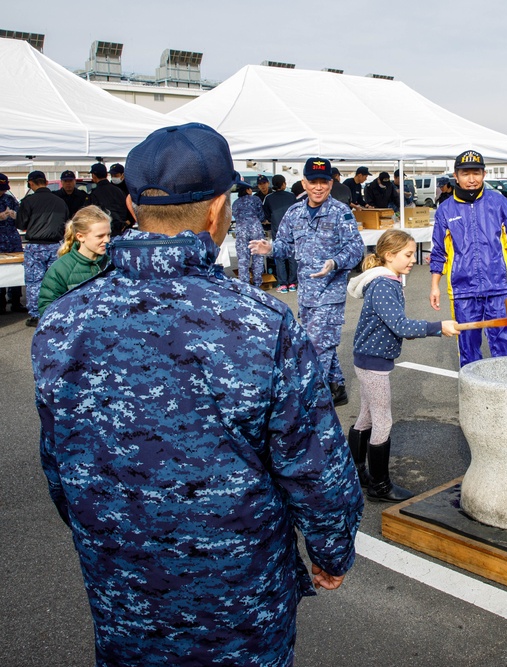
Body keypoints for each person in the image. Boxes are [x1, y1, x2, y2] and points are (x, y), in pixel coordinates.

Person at [32, 122, 363, 666]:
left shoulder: (63, 321)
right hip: (239, 595)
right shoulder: (261, 322)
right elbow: (315, 466)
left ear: (134, 208)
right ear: (217, 211)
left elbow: (59, 464)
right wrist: (331, 552)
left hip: (123, 586)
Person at [347, 229, 458, 502]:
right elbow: (401, 326)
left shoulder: (390, 280)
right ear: (389, 255)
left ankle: (356, 471)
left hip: (369, 358)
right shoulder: (384, 284)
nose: (412, 259)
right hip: (372, 362)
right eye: (408, 255)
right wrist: (438, 327)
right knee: (383, 420)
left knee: (367, 416)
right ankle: (379, 486)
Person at [250, 157, 365, 407]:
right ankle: (337, 387)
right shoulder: (294, 212)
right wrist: (269, 248)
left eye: (324, 182)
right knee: (322, 342)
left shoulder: (340, 212)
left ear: (331, 183)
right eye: (313, 182)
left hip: (329, 294)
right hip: (307, 295)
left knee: (316, 346)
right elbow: (285, 246)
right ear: (304, 182)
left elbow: (357, 249)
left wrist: (334, 262)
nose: (319, 187)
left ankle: (315, 401)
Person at [429, 149, 507, 366]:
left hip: (499, 287)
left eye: (476, 173)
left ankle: (505, 391)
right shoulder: (445, 209)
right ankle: (473, 395)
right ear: (455, 176)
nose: (471, 179)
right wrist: (435, 286)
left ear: (484, 174)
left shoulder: (499, 203)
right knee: (468, 348)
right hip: (462, 289)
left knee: (504, 345)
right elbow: (440, 250)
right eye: (465, 174)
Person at [16, 169, 69, 326]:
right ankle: (55, 311)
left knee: (34, 281)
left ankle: (36, 315)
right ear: (46, 182)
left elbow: (21, 224)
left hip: (35, 246)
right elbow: (66, 223)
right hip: (55, 246)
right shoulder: (60, 201)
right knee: (55, 280)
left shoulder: (28, 201)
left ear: (31, 183)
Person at [37, 205, 110, 318]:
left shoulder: (114, 263)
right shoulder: (60, 269)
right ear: (80, 237)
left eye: (108, 235)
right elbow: (47, 309)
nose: (107, 240)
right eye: (100, 236)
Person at [263, 174, 299, 293]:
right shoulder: (291, 196)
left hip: (277, 231)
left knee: (280, 257)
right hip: (292, 230)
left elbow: (266, 215)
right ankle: (293, 283)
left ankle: (283, 284)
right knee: (292, 257)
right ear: (283, 184)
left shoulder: (268, 198)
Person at [232, 181, 267, 288]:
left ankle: (244, 285)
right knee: (257, 256)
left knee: (243, 258)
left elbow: (235, 216)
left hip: (241, 230)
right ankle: (257, 283)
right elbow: (261, 215)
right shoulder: (255, 199)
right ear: (247, 190)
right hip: (255, 229)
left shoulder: (235, 203)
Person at [0, 174, 25, 313]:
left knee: (16, 270)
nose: (2, 192)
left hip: (12, 239)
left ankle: (16, 301)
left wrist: (16, 216)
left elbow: (21, 217)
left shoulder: (9, 199)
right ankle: (0, 303)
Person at [88, 162, 133, 237]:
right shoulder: (118, 190)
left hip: (105, 230)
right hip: (123, 230)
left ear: (94, 176)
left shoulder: (95, 193)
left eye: (115, 175)